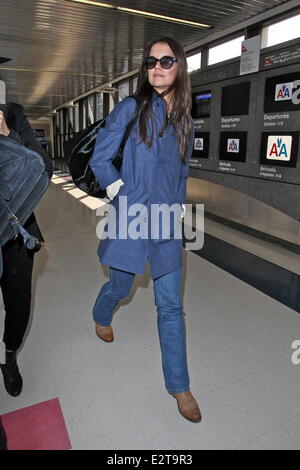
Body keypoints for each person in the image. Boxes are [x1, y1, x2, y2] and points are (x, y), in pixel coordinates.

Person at [90, 37, 201, 423]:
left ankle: (180, 386)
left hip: (167, 222)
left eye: (166, 60)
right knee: (121, 287)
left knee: (170, 305)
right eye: (151, 61)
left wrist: (178, 207)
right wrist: (123, 194)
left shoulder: (185, 119)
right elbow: (100, 158)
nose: (157, 66)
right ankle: (101, 315)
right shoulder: (130, 108)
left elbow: (183, 172)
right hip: (131, 218)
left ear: (179, 66)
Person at [0, 102, 53, 397]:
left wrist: (7, 136)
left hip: (15, 229)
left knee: (18, 305)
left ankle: (8, 356)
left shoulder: (12, 114)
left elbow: (42, 167)